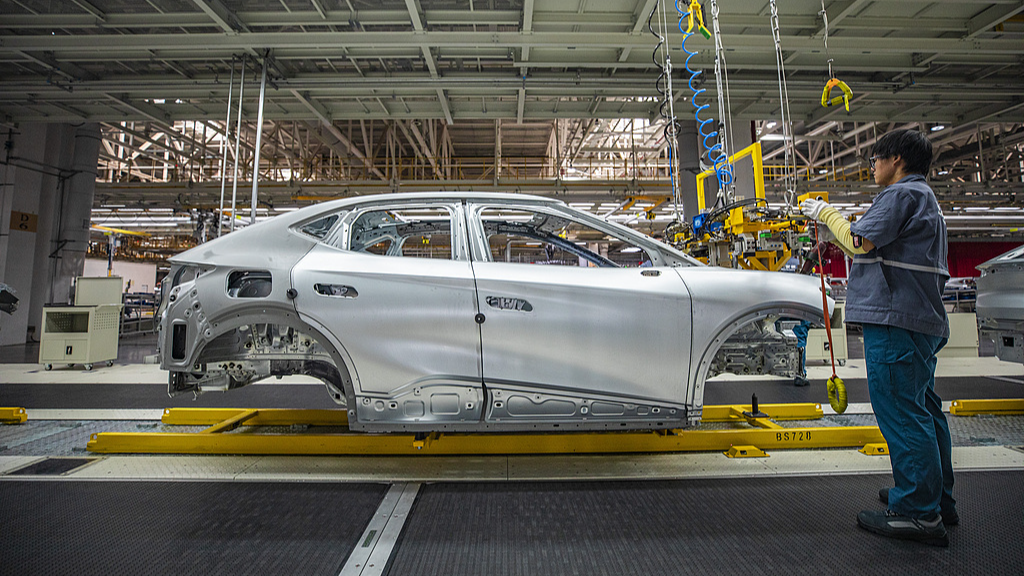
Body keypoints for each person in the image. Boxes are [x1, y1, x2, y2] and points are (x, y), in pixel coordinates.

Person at [800, 129, 953, 547]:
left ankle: (918, 513)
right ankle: (936, 496)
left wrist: (826, 215)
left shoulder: (900, 195)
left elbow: (861, 241)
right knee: (923, 408)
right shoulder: (924, 198)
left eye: (876, 158)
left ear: (897, 159)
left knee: (903, 413)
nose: (872, 166)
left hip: (896, 319)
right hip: (917, 319)